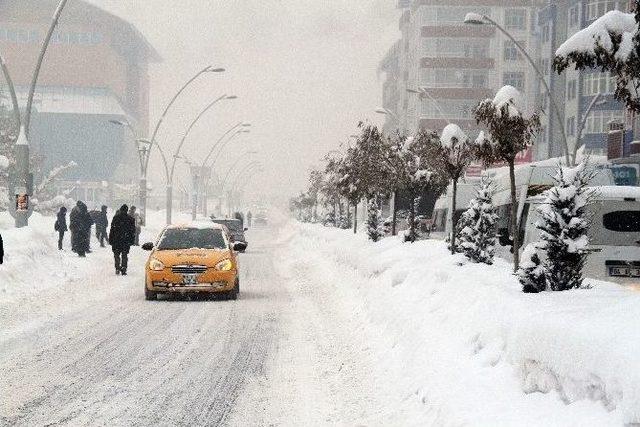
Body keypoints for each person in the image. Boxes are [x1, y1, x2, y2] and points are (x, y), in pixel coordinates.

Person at [109, 204, 136, 275]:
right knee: (124, 255)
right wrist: (132, 240)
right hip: (125, 241)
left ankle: (117, 267)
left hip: (116, 240)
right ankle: (124, 268)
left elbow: (112, 230)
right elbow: (132, 231)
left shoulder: (116, 218)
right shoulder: (131, 219)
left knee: (116, 255)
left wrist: (110, 239)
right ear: (127, 210)